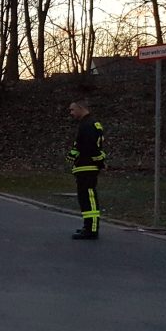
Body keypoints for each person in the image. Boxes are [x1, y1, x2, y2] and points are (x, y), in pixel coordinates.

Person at [67, 98, 106, 240]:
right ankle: (88, 226)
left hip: (87, 166)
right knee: (84, 198)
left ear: (81, 108)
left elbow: (91, 147)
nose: (71, 113)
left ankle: (92, 228)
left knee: (89, 198)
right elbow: (83, 145)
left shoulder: (88, 124)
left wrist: (97, 160)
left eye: (72, 109)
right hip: (83, 166)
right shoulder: (87, 124)